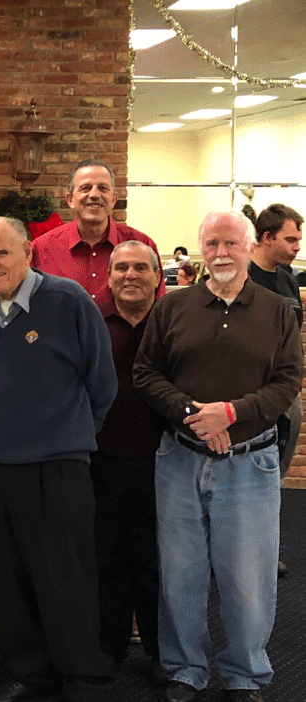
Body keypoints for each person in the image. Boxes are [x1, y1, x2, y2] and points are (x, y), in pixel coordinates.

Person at [134, 210, 302, 702]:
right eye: (212, 244)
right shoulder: (172, 308)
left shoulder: (277, 311)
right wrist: (193, 413)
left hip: (250, 463)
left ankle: (245, 672)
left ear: (250, 247)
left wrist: (232, 413)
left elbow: (288, 382)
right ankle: (186, 667)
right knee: (180, 571)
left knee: (247, 576)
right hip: (180, 459)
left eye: (231, 243)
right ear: (200, 249)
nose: (221, 253)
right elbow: (146, 374)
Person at [0, 217, 117, 702]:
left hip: (56, 468)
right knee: (6, 582)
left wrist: (66, 436)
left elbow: (102, 384)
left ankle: (84, 679)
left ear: (27, 252)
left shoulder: (67, 300)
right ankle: (31, 674)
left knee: (65, 577)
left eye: (1, 253)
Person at [92, 242, 164, 681]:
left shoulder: (173, 321)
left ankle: (162, 652)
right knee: (108, 557)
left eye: (141, 267)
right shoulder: (92, 321)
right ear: (110, 275)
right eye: (122, 267)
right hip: (101, 459)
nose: (131, 274)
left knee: (157, 561)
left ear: (159, 276)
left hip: (165, 461)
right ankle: (111, 647)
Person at [31, 159, 164, 307]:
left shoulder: (143, 245)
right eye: (85, 188)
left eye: (102, 188)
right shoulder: (41, 249)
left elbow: (160, 309)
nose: (94, 194)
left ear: (113, 199)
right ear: (70, 200)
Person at [249, 203, 302, 479]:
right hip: (252, 391)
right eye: (290, 240)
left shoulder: (287, 281)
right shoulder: (242, 278)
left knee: (275, 473)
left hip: (286, 390)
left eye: (298, 241)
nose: (297, 248)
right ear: (267, 237)